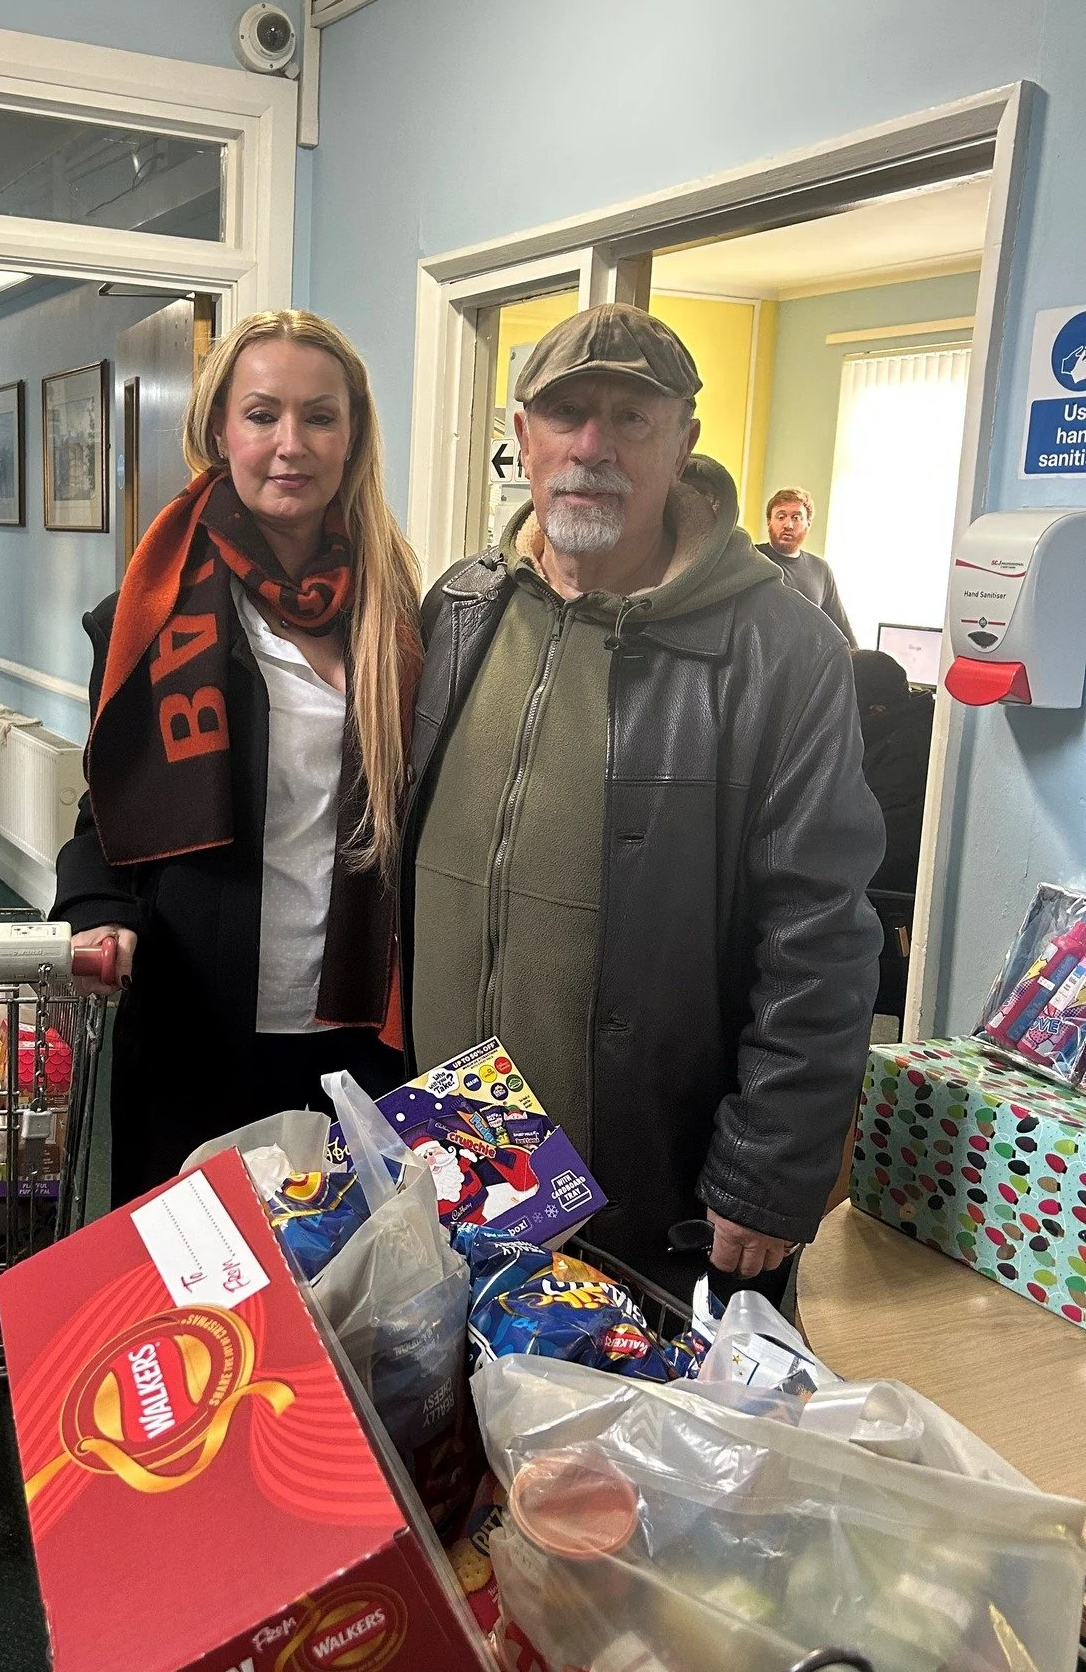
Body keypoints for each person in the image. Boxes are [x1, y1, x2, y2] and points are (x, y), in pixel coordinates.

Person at [402, 303, 883, 1295]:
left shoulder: (779, 651)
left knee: (630, 1434)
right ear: (523, 435)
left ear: (684, 443)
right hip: (467, 1135)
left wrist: (767, 1165)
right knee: (481, 1419)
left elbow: (822, 930)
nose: (593, 444)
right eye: (567, 412)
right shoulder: (462, 603)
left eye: (631, 417)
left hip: (655, 1172)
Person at [53, 309, 422, 1205]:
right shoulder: (150, 617)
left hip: (359, 1028)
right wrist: (97, 909)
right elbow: (110, 809)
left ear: (353, 436)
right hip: (198, 1019)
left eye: (319, 417)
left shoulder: (409, 616)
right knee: (194, 1289)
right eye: (262, 415)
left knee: (351, 1293)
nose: (289, 444)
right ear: (220, 429)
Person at [852, 648, 936, 1019]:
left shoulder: (906, 758)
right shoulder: (903, 726)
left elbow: (875, 851)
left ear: (876, 712)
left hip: (887, 917)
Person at [757, 487, 856, 645]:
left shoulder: (821, 570)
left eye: (796, 518)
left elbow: (842, 631)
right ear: (769, 521)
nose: (788, 525)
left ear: (808, 523)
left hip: (806, 665)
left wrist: (856, 663)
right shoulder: (752, 559)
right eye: (781, 517)